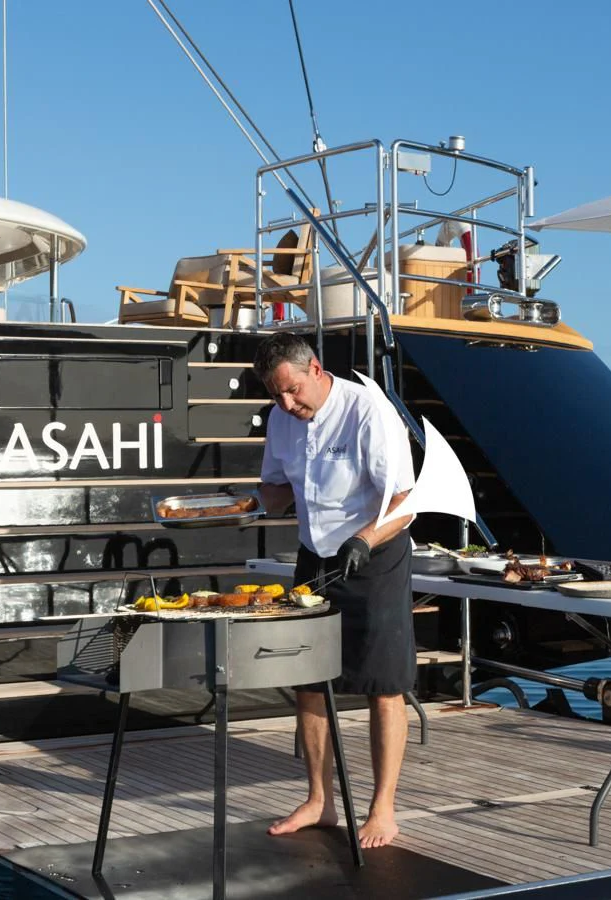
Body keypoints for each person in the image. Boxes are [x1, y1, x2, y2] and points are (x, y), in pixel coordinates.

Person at [253, 332, 416, 850]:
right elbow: (275, 491)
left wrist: (364, 541)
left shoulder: (368, 411)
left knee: (383, 686)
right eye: (277, 394)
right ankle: (319, 801)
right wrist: (249, 501)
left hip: (375, 552)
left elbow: (404, 503)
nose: (287, 403)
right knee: (309, 681)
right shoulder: (281, 419)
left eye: (294, 390)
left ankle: (382, 808)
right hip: (315, 553)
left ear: (316, 369)